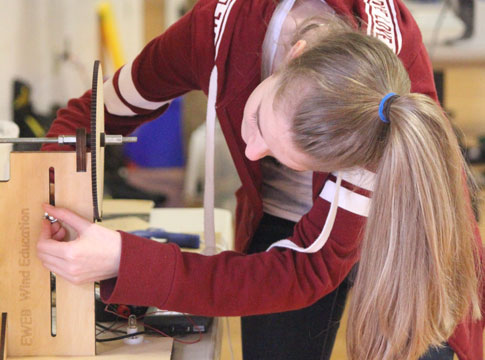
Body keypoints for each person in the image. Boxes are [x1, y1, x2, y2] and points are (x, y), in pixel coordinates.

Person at [37, 0, 484, 359]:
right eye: (257, 124)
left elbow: (311, 267)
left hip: (408, 231)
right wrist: (45, 186)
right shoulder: (212, 32)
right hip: (286, 219)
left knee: (420, 343)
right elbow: (98, 112)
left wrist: (123, 258)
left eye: (289, 160)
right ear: (296, 55)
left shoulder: (374, 115)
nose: (250, 154)